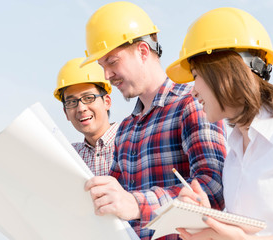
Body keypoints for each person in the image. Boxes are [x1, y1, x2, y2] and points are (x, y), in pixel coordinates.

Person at [82, 2, 227, 240]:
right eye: (102, 66)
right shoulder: (126, 129)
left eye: (112, 61)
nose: (107, 75)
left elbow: (213, 188)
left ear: (142, 51)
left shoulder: (191, 104)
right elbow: (115, 204)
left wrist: (136, 204)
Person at [166, 7, 273, 239]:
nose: (193, 91)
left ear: (225, 70)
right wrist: (209, 219)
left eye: (196, 75)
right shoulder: (234, 154)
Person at [54, 57, 118, 176]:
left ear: (107, 102)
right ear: (65, 113)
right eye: (72, 102)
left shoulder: (132, 142)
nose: (81, 108)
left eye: (88, 98)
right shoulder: (69, 157)